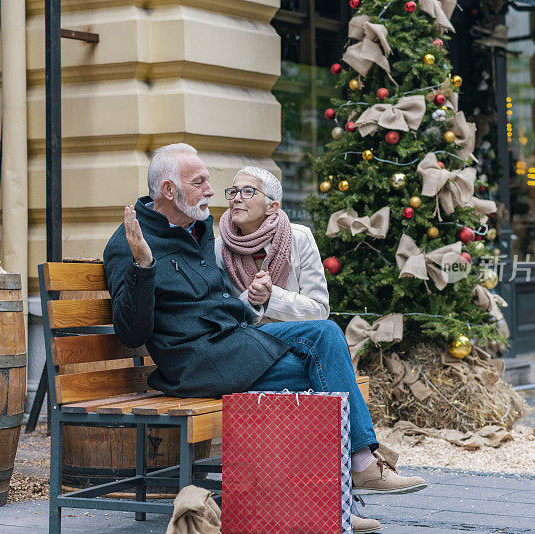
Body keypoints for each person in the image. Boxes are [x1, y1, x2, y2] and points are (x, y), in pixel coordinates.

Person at [103, 143, 426, 532]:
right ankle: (342, 489)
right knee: (320, 364)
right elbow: (130, 332)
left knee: (324, 340)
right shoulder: (130, 243)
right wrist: (143, 266)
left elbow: (221, 300)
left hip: (232, 346)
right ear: (170, 191)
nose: (211, 190)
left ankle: (340, 490)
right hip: (195, 364)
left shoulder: (199, 230)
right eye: (200, 182)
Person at [215, 166, 330, 324]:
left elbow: (320, 311)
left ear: (271, 207)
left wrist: (271, 297)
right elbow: (218, 312)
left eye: (248, 191)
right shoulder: (219, 247)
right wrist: (252, 298)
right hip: (245, 338)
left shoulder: (299, 238)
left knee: (328, 329)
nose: (236, 198)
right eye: (233, 191)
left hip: (294, 337)